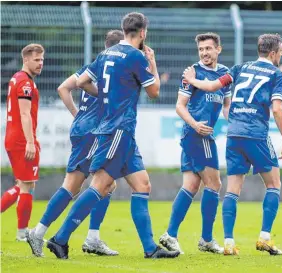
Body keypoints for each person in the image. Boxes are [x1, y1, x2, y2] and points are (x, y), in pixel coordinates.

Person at [45, 12, 180, 259]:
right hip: (118, 129)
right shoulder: (136, 57)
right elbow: (155, 92)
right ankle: (59, 238)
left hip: (119, 130)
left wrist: (107, 96)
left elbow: (83, 82)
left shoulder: (106, 53)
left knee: (142, 184)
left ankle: (150, 248)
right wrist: (153, 61)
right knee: (101, 185)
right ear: (143, 33)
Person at [183, 33, 282, 256]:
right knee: (274, 184)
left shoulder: (240, 68)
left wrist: (192, 81)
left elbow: (213, 86)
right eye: (280, 51)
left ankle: (229, 243)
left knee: (232, 190)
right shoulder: (276, 74)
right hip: (256, 134)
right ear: (272, 53)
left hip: (234, 134)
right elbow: (277, 109)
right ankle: (264, 238)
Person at [25, 30, 123, 258]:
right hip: (93, 131)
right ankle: (38, 232)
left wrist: (77, 114)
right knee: (74, 185)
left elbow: (63, 87)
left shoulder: (95, 65)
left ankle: (92, 237)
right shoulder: (113, 67)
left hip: (84, 128)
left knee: (107, 184)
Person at [159, 33, 231, 254]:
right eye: (201, 49)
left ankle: (170, 235)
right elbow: (180, 106)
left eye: (208, 48)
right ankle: (207, 240)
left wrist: (236, 122)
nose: (204, 53)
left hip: (200, 135)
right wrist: (195, 124)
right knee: (215, 184)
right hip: (197, 134)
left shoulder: (224, 74)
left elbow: (226, 106)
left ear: (218, 49)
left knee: (190, 185)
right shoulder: (191, 73)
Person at [1, 44, 44, 241]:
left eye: (42, 60)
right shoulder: (25, 82)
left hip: (15, 137)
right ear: (25, 59)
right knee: (26, 185)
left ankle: (22, 231)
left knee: (24, 184)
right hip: (20, 140)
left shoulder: (19, 79)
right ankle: (22, 233)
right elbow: (24, 113)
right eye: (36, 60)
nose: (40, 64)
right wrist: (29, 142)